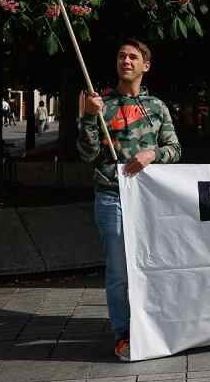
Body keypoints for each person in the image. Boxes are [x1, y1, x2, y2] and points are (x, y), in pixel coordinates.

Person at [78, 38, 182, 361]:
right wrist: (86, 118)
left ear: (145, 66)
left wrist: (154, 153)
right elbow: (87, 154)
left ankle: (153, 326)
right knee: (119, 271)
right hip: (112, 196)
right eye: (121, 55)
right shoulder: (101, 105)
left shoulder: (157, 108)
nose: (126, 60)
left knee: (154, 265)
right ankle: (124, 334)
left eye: (133, 57)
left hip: (150, 201)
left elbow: (176, 150)